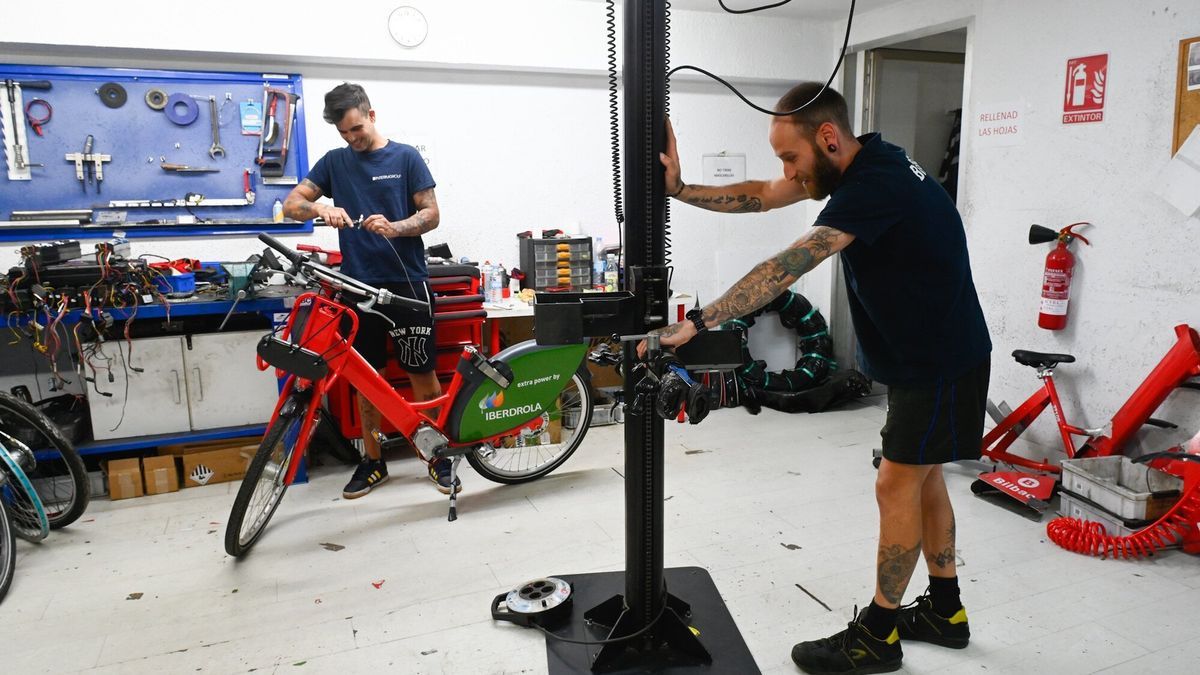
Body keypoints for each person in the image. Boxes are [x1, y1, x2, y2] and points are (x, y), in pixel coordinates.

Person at [651, 82, 991, 674]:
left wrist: (701, 320)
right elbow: (761, 194)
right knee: (924, 480)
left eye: (792, 158)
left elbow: (788, 265)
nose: (787, 172)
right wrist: (680, 190)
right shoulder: (866, 163)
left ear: (828, 138)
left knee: (895, 485)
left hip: (936, 360)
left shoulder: (874, 185)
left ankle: (879, 637)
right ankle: (946, 611)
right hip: (933, 353)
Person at [283, 82, 461, 499]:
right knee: (367, 381)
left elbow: (431, 213)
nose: (352, 138)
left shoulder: (406, 157)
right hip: (357, 288)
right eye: (344, 133)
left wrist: (396, 227)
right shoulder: (334, 163)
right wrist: (320, 208)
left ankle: (437, 455)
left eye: (357, 128)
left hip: (407, 286)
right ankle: (374, 460)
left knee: (422, 375)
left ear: (371, 114)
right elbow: (291, 204)